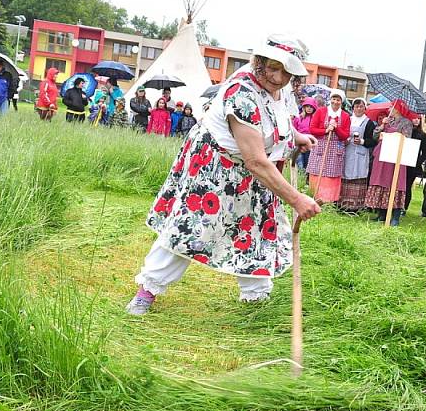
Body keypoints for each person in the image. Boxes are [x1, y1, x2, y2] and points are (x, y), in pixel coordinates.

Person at [125, 36, 320, 315]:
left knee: (257, 228)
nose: (278, 77)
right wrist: (296, 198)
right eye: (273, 68)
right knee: (191, 226)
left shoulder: (281, 88)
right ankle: (148, 290)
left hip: (254, 174)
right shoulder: (241, 93)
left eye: (287, 72)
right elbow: (254, 160)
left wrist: (296, 136)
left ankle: (256, 299)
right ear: (260, 62)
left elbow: (277, 119)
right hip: (216, 167)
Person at [365, 102, 413, 225]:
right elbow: (375, 135)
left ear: (398, 109)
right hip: (382, 155)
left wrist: (388, 135)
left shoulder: (406, 123)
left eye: (392, 106)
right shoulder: (387, 120)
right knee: (382, 182)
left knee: (396, 183)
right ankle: (381, 214)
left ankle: (395, 216)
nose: (389, 108)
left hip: (396, 157)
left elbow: (406, 138)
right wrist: (382, 126)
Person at [306, 89, 351, 203]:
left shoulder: (345, 116)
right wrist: (326, 130)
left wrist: (336, 128)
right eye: (334, 99)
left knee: (331, 175)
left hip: (336, 149)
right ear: (330, 100)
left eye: (338, 100)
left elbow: (345, 135)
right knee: (317, 171)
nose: (335, 102)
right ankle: (314, 197)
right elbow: (312, 129)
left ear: (342, 102)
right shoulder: (321, 111)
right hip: (320, 146)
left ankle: (328, 201)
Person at [338, 97, 376, 212]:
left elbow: (373, 141)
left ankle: (355, 206)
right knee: (344, 175)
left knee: (357, 176)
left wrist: (362, 141)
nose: (358, 109)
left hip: (361, 153)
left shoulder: (369, 123)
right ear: (353, 108)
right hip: (347, 151)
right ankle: (341, 204)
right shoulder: (347, 119)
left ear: (365, 108)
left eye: (361, 106)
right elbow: (341, 133)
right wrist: (345, 139)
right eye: (356, 106)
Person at [404, 115, 426, 214]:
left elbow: (425, 152)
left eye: (419, 118)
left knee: (407, 186)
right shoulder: (406, 132)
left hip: (413, 165)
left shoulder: (422, 135)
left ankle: (404, 208)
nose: (417, 120)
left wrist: (417, 162)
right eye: (415, 117)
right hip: (402, 161)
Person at [292, 98, 316, 172]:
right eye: (307, 106)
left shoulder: (315, 118)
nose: (309, 108)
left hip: (310, 144)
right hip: (299, 143)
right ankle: (299, 179)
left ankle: (305, 181)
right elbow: (293, 130)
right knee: (300, 164)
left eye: (311, 107)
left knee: (307, 164)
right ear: (304, 107)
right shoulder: (298, 118)